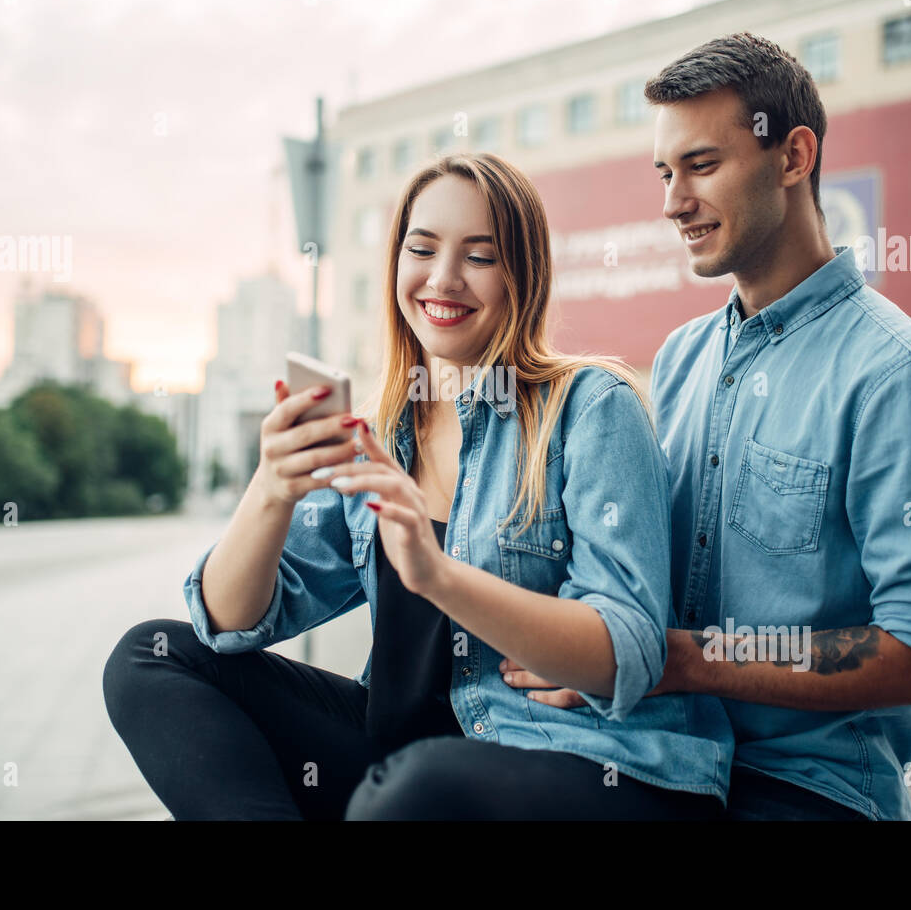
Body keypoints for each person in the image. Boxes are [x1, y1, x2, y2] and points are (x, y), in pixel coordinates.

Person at [103, 152, 734, 820]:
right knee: (150, 656)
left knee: (409, 791)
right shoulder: (376, 431)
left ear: (522, 273)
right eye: (422, 248)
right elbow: (231, 623)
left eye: (480, 256)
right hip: (405, 759)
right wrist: (272, 487)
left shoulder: (588, 407)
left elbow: (627, 652)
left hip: (584, 761)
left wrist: (436, 573)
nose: (443, 278)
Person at [500, 32, 911, 821]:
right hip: (655, 751)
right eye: (666, 173)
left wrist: (681, 662)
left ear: (793, 155)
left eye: (701, 165)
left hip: (806, 787)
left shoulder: (901, 375)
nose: (672, 201)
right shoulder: (681, 356)